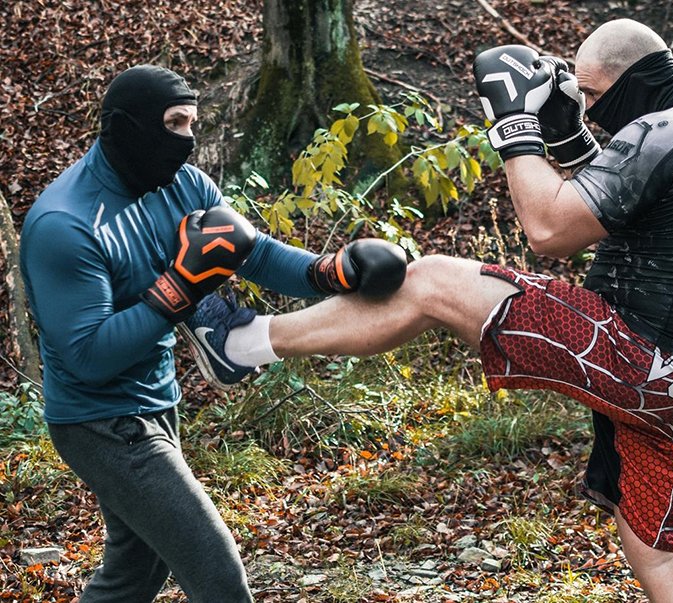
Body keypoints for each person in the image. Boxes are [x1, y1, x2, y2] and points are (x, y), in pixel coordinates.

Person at [183, 18, 673, 602]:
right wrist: (570, 137)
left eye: (595, 96)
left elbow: (548, 229)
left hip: (639, 359)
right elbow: (634, 213)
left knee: (431, 280)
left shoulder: (668, 128)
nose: (594, 111)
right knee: (658, 553)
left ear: (630, 80)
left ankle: (238, 344)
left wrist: (518, 127)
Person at [19, 64, 407, 603]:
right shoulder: (65, 225)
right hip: (100, 421)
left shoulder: (181, 183)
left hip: (157, 400)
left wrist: (328, 271)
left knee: (136, 571)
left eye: (193, 123)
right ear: (127, 126)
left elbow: (249, 250)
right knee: (218, 575)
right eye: (174, 123)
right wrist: (180, 285)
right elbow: (87, 356)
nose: (187, 139)